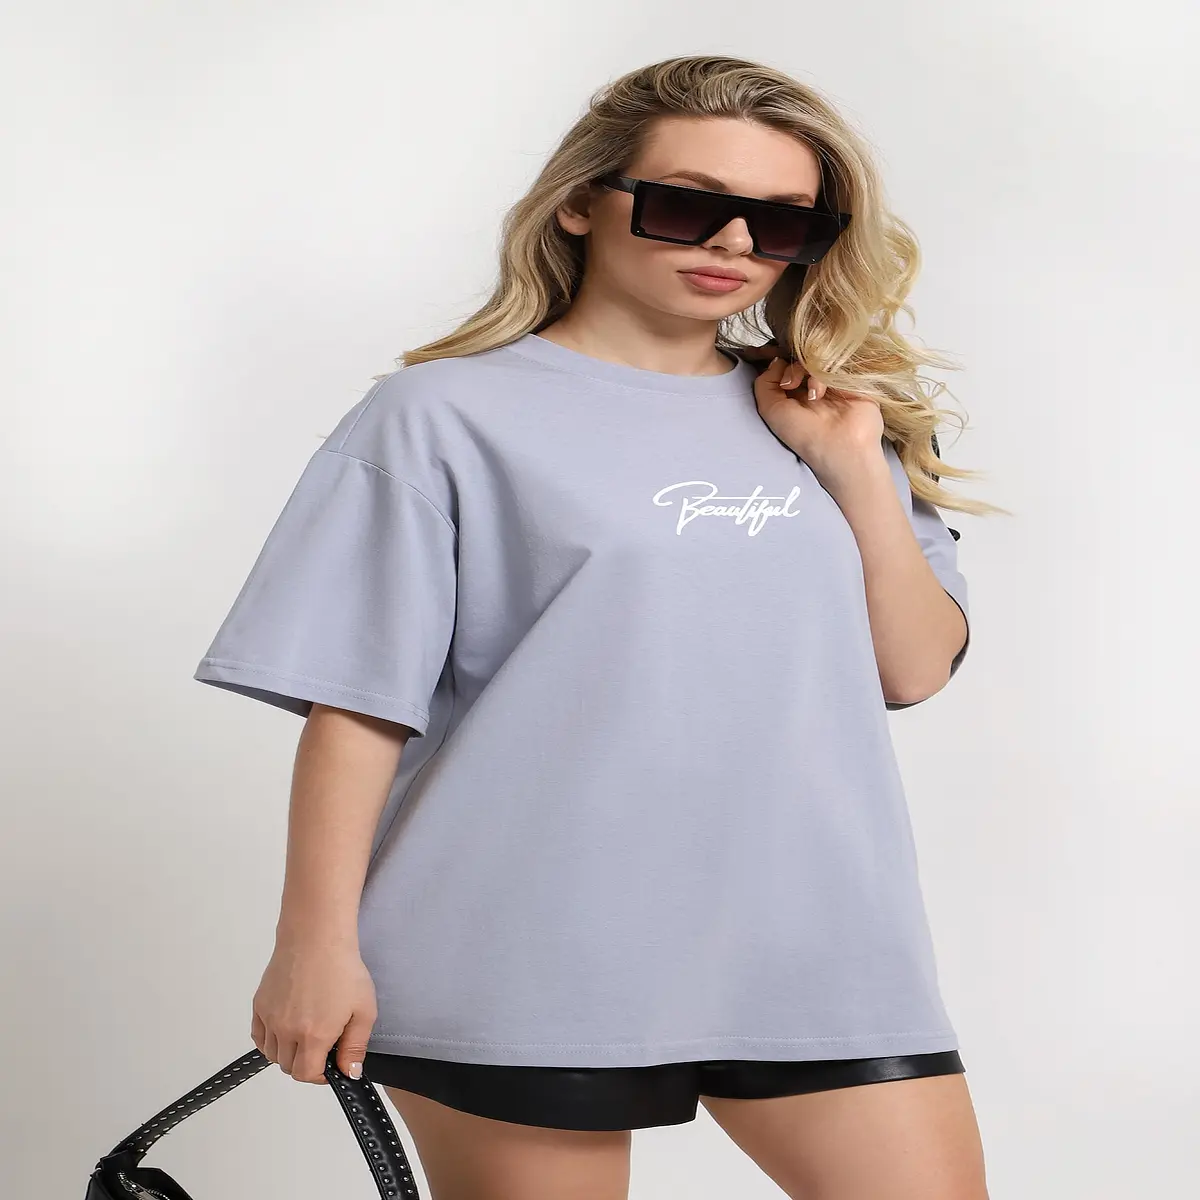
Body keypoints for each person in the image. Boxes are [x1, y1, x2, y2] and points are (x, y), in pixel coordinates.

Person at [193, 53, 1003, 1200]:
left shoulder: (831, 417)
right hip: (521, 941)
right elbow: (358, 704)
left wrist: (856, 469)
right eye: (686, 203)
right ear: (582, 201)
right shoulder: (441, 415)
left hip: (816, 938)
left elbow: (913, 668)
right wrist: (313, 948)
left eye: (781, 221)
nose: (734, 243)